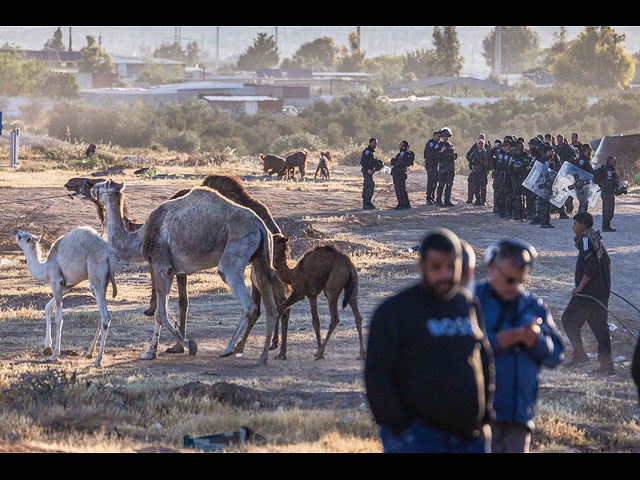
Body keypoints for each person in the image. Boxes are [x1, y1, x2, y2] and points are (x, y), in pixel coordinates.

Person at [365, 228, 495, 453]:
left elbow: (483, 360)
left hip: (468, 436)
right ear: (421, 265)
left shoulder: (467, 304)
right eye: (437, 267)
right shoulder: (396, 311)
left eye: (451, 267)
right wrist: (401, 427)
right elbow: (377, 374)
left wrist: (485, 417)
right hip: (419, 438)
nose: (445, 275)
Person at [475, 239, 564, 453]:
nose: (514, 287)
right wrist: (501, 340)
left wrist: (537, 341)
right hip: (478, 415)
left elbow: (556, 355)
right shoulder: (474, 302)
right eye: (509, 279)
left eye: (520, 281)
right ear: (492, 268)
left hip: (519, 415)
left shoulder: (532, 306)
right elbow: (456, 350)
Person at [561, 212, 615, 377]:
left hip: (588, 294)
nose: (574, 227)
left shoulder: (585, 240)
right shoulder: (594, 238)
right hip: (600, 291)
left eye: (575, 224)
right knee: (600, 327)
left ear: (583, 225)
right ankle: (607, 366)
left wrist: (579, 288)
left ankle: (580, 356)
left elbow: (592, 266)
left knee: (568, 319)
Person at [593, 155, 627, 232]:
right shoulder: (606, 171)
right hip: (606, 192)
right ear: (609, 161)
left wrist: (622, 189)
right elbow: (606, 182)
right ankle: (605, 227)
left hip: (610, 193)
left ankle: (606, 226)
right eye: (613, 161)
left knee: (609, 211)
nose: (615, 162)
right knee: (608, 210)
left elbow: (615, 184)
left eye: (615, 161)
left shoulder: (613, 171)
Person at [570, 143, 595, 214]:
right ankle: (581, 216)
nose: (590, 151)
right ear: (585, 150)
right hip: (582, 184)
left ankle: (582, 215)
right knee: (584, 202)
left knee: (584, 202)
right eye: (589, 149)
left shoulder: (585, 160)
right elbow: (580, 172)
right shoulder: (582, 160)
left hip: (585, 184)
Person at [435, 127, 458, 207]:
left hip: (450, 167)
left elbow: (455, 156)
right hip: (443, 167)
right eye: (444, 136)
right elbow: (436, 156)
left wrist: (452, 154)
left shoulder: (451, 145)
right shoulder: (439, 145)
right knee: (441, 184)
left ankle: (447, 200)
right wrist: (441, 152)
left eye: (447, 136)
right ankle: (438, 200)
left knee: (449, 184)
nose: (446, 138)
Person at [390, 140, 415, 210]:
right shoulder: (400, 154)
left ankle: (403, 204)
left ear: (404, 147)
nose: (399, 146)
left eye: (401, 145)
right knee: (399, 188)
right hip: (397, 172)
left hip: (400, 173)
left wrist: (396, 162)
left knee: (400, 189)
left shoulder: (405, 154)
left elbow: (402, 163)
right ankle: (404, 204)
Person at [360, 138, 383, 210]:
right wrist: (367, 169)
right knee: (369, 185)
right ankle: (366, 203)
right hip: (367, 171)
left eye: (376, 143)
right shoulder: (367, 152)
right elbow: (363, 162)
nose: (376, 144)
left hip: (369, 171)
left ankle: (367, 202)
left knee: (368, 185)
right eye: (374, 143)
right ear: (370, 143)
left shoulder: (371, 152)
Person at [467, 137, 490, 206]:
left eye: (482, 143)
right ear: (477, 144)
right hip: (475, 172)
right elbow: (470, 161)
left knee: (483, 187)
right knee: (475, 186)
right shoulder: (474, 152)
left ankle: (483, 201)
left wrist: (487, 170)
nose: (480, 145)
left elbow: (489, 163)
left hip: (483, 172)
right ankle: (477, 200)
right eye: (479, 143)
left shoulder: (486, 153)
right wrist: (471, 168)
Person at [424, 131, 442, 205]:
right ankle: (428, 198)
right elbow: (429, 154)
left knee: (435, 181)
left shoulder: (439, 144)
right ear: (434, 136)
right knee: (431, 181)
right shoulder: (430, 144)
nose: (439, 138)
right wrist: (438, 153)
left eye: (440, 137)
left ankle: (432, 196)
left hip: (436, 165)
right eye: (438, 136)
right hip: (430, 164)